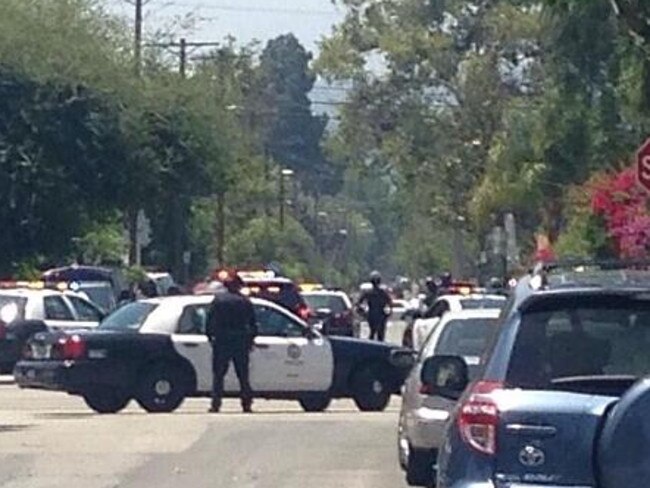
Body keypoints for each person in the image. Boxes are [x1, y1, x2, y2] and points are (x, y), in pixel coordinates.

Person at [205, 272, 257, 413]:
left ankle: (216, 404)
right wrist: (250, 340)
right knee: (243, 375)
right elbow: (253, 324)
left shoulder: (219, 300)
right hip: (240, 340)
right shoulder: (244, 301)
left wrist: (211, 337)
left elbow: (209, 321)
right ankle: (246, 403)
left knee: (218, 375)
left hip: (222, 340)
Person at [357, 271, 392, 341]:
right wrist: (387, 314)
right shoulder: (382, 293)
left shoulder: (369, 293)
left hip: (373, 316)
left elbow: (358, 304)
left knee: (373, 334)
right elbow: (390, 304)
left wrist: (363, 313)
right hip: (379, 316)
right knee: (379, 336)